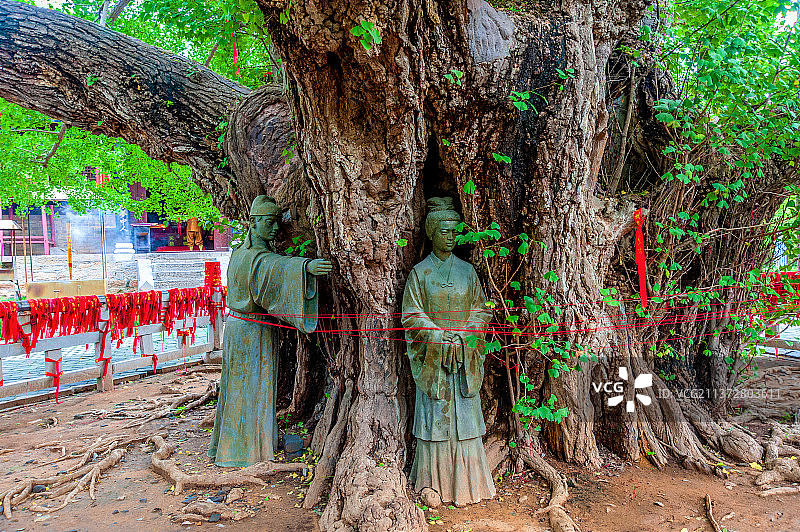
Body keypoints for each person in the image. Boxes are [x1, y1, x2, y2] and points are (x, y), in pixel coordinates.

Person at [208, 196, 332, 466]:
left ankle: (237, 444)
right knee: (253, 386)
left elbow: (273, 265)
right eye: (268, 222)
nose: (275, 228)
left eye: (277, 222)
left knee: (242, 388)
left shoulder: (240, 253)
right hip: (253, 332)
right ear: (253, 223)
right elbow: (275, 268)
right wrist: (306, 267)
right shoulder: (254, 258)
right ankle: (247, 450)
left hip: (240, 328)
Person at [401, 197, 496, 506]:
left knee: (466, 420)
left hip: (463, 358)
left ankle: (471, 484)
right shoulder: (421, 273)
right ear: (432, 232)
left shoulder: (468, 272)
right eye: (445, 230)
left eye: (455, 231)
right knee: (434, 421)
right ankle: (432, 481)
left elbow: (481, 311)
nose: (452, 237)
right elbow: (412, 315)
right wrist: (440, 337)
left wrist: (464, 337)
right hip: (435, 359)